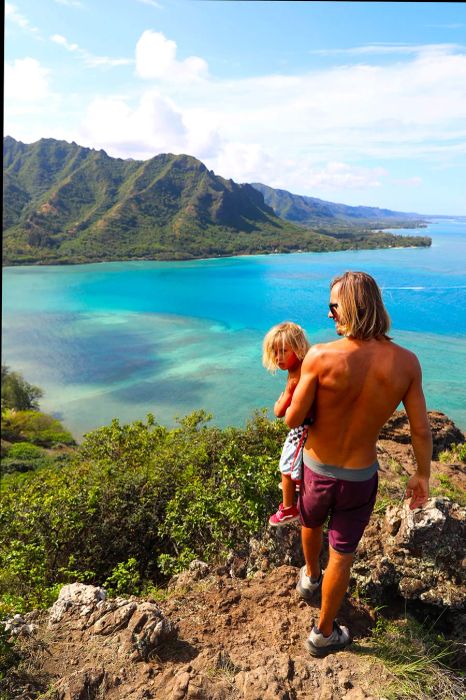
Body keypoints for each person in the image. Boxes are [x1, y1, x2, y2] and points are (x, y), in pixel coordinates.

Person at [285, 271, 432, 657]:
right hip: (359, 478)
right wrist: (422, 474)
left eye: (334, 306)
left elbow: (291, 419)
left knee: (311, 521)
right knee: (343, 553)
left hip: (317, 469)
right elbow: (421, 430)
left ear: (351, 306)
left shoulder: (319, 355)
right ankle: (323, 633)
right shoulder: (407, 363)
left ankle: (310, 578)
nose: (329, 315)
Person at [262, 321, 311, 526]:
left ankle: (289, 508)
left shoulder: (295, 376)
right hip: (307, 422)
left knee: (286, 465)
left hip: (303, 426)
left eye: (283, 351)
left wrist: (277, 404)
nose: (278, 357)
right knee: (292, 465)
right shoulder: (303, 366)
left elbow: (281, 411)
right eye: (275, 352)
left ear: (298, 349)